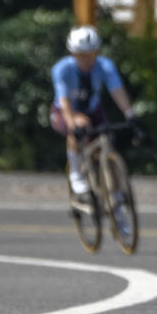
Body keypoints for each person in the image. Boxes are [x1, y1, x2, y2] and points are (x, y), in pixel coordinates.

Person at [50, 25, 138, 201]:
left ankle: (116, 194)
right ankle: (77, 174)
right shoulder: (62, 69)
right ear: (73, 54)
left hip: (93, 109)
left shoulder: (105, 66)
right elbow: (64, 100)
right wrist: (71, 123)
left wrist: (130, 114)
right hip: (65, 111)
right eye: (81, 55)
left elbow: (117, 91)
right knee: (79, 125)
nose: (86, 59)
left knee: (108, 142)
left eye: (90, 54)